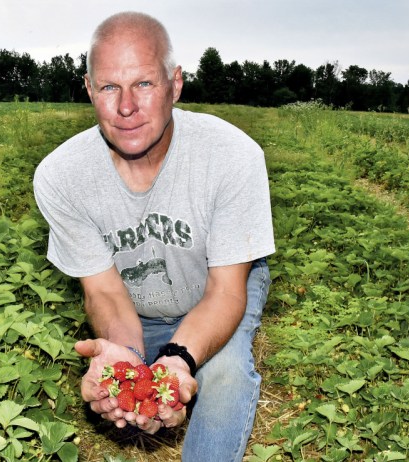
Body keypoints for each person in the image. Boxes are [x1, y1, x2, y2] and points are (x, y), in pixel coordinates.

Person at [33, 11, 275, 461]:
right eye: (109, 87)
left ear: (175, 84)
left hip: (217, 284)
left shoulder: (233, 157)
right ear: (89, 89)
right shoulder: (62, 176)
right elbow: (103, 290)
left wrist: (180, 357)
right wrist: (125, 355)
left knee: (223, 372)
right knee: (121, 372)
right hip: (133, 298)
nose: (126, 107)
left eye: (144, 84)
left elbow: (225, 292)